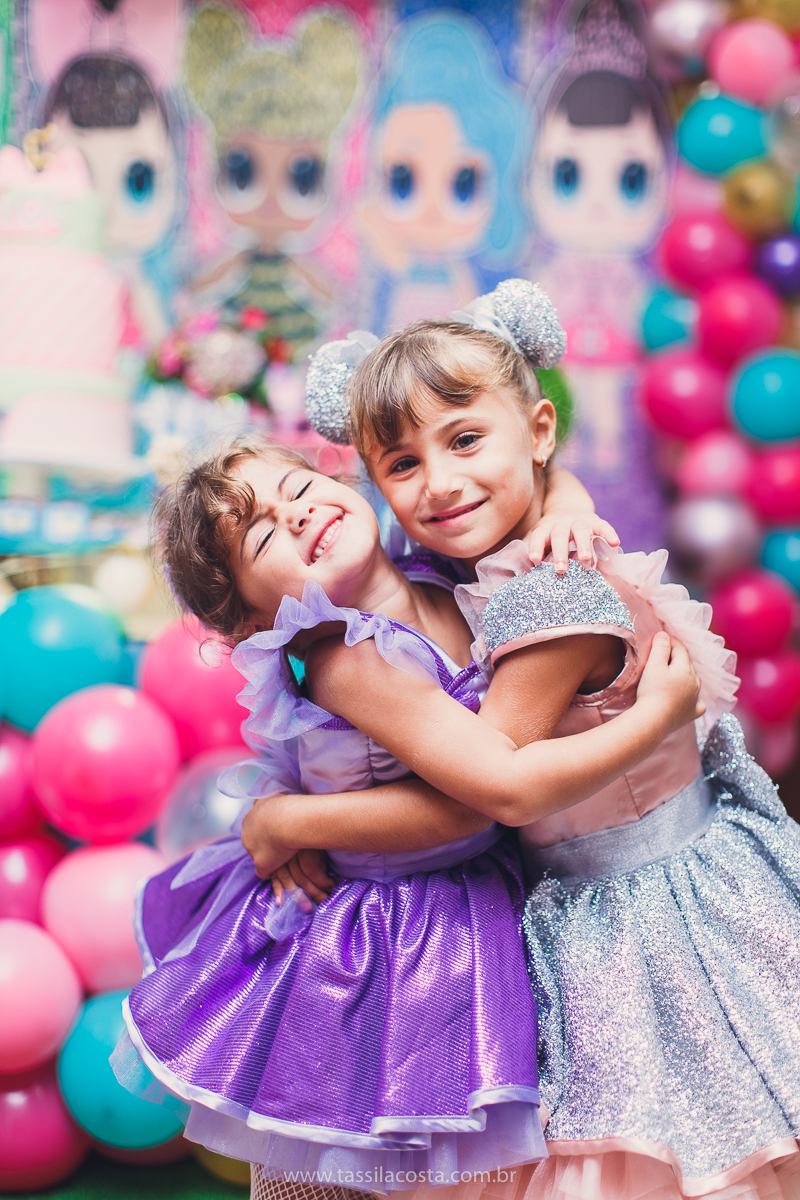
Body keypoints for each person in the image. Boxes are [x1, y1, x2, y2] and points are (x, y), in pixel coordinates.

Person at [260, 279, 800, 1200]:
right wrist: (557, 492)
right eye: (400, 464)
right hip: (610, 898)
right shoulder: (492, 559)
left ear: (538, 431)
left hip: (645, 918)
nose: (439, 483)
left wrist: (289, 819)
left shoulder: (546, 593)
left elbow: (490, 790)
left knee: (674, 1150)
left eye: (465, 440)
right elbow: (512, 484)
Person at [113, 431, 700, 1200]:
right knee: (347, 1163)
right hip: (378, 931)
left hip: (460, 904)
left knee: (462, 1164)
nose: (294, 517)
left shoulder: (435, 568)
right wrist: (283, 822)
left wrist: (568, 507)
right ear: (259, 623)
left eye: (296, 491)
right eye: (262, 535)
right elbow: (462, 811)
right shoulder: (346, 656)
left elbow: (526, 485)